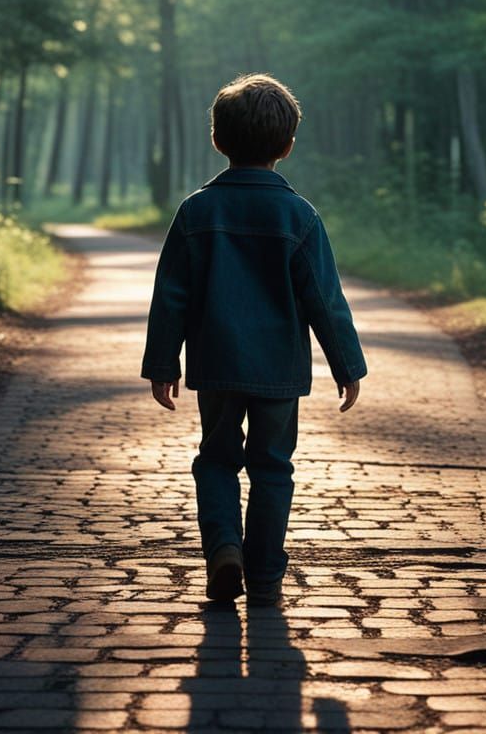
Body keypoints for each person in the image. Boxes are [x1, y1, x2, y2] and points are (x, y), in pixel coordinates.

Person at [141, 73, 367, 606]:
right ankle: (264, 574)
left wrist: (162, 363)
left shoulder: (197, 211)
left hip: (217, 363)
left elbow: (170, 293)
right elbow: (324, 300)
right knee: (273, 467)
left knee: (216, 459)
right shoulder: (300, 215)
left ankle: (224, 550)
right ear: (288, 145)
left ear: (217, 140)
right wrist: (347, 365)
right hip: (278, 369)